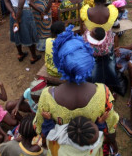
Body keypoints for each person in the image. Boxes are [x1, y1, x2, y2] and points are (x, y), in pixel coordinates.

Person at [34, 26, 119, 155]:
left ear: (59, 65)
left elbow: (40, 129)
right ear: (89, 62)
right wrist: (112, 142)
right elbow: (111, 127)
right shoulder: (104, 92)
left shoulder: (47, 96)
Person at [81, 0, 119, 88]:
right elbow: (115, 24)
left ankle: (91, 84)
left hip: (90, 43)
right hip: (106, 44)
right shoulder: (112, 11)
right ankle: (111, 83)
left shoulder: (86, 10)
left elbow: (83, 25)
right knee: (109, 62)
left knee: (91, 64)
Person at [4, 0, 41, 64]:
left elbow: (6, 1)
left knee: (17, 32)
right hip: (24, 13)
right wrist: (17, 20)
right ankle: (33, 56)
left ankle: (20, 54)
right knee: (28, 33)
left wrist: (12, 11)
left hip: (14, 12)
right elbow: (20, 7)